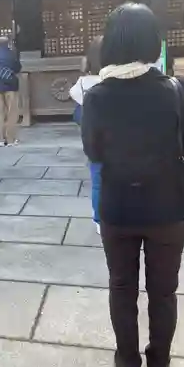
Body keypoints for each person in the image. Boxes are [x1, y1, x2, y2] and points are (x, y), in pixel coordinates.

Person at [81, 3, 184, 367]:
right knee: (164, 291)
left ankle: (128, 362)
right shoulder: (176, 89)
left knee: (121, 287)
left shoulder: (97, 96)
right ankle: (159, 361)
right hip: (168, 209)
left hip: (118, 208)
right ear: (154, 41)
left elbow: (93, 151)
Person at [69, 36, 102, 234]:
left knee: (97, 178)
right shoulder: (115, 79)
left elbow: (73, 94)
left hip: (92, 137)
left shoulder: (84, 82)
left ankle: (98, 219)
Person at [0, 36, 22, 147]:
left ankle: (0, 140)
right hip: (11, 86)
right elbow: (18, 68)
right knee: (11, 112)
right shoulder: (12, 54)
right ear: (9, 43)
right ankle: (11, 139)